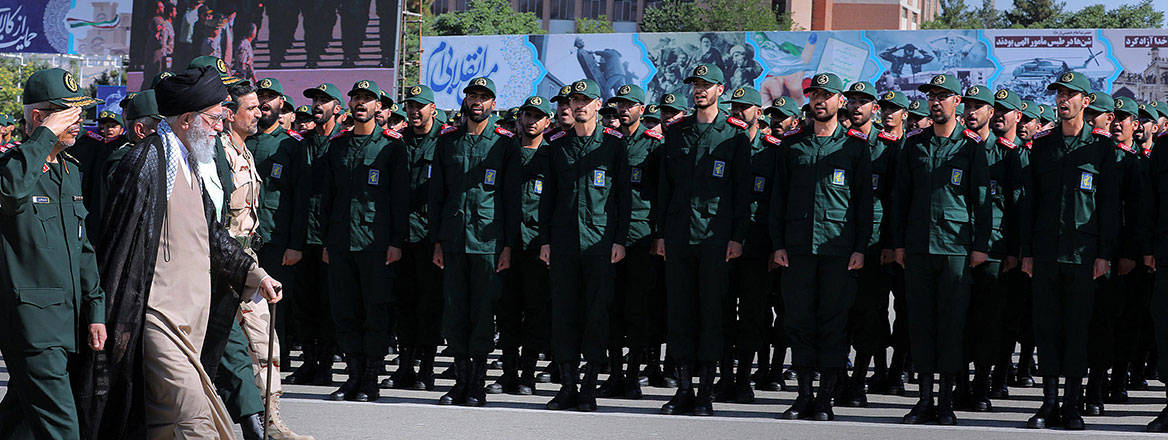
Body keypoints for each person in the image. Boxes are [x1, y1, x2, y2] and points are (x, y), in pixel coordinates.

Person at [75, 65, 282, 439]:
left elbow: (213, 236)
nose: (221, 127)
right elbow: (118, 246)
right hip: (157, 319)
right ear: (187, 119)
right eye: (216, 118)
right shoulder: (148, 160)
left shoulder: (189, 162)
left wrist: (257, 275)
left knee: (165, 426)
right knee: (194, 424)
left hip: (194, 324)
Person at [0, 68, 106, 440]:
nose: (78, 121)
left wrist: (95, 310)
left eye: (79, 112)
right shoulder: (13, 168)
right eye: (67, 113)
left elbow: (82, 249)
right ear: (38, 118)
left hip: (68, 322)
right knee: (61, 428)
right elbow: (12, 193)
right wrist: (44, 136)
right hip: (33, 324)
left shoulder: (68, 169)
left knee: (20, 421)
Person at [1019, 71, 1120, 430]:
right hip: (1046, 253)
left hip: (1083, 255)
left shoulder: (1102, 147)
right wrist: (1027, 251)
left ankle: (1072, 405)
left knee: (1078, 330)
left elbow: (1109, 205)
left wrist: (1103, 254)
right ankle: (1048, 403)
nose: (1063, 100)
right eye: (1059, 94)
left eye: (1070, 94)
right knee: (1046, 328)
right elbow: (1031, 202)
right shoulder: (1043, 146)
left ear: (1085, 101)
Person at [771, 73, 873, 421]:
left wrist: (860, 247)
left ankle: (826, 397)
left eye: (827, 96)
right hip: (797, 249)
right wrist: (778, 244)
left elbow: (864, 204)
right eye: (815, 94)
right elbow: (778, 200)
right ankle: (803, 395)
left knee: (833, 321)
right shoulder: (792, 146)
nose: (820, 101)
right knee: (798, 321)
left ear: (839, 102)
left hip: (838, 250)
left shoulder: (856, 148)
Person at [891, 73, 991, 426]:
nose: (935, 102)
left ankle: (946, 400)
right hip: (918, 248)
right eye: (931, 96)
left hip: (955, 250)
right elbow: (900, 198)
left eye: (942, 96)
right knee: (920, 324)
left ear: (956, 104)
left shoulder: (970, 147)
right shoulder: (914, 145)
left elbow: (982, 202)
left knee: (951, 325)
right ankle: (923, 398)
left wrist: (980, 247)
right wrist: (899, 244)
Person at [655, 64, 750, 417]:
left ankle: (706, 391)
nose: (699, 90)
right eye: (695, 85)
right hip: (679, 237)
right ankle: (683, 388)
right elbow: (666, 188)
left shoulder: (734, 135)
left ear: (720, 91)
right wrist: (661, 234)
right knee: (680, 312)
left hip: (716, 238)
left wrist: (737, 237)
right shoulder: (676, 133)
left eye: (706, 85)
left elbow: (742, 193)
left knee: (712, 313)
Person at [540, 79, 630, 412]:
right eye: (573, 100)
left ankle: (589, 386)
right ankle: (567, 385)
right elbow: (548, 196)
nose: (578, 106)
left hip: (600, 243)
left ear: (597, 105)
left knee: (596, 315)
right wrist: (545, 241)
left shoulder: (613, 143)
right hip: (563, 242)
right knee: (563, 314)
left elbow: (623, 197)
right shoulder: (557, 143)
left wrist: (619, 239)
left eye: (584, 100)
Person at [429, 77, 519, 407]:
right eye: (472, 96)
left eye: (484, 97)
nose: (477, 101)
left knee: (482, 314)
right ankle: (460, 381)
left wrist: (508, 245)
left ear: (493, 104)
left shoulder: (504, 143)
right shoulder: (448, 141)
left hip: (488, 242)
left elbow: (511, 199)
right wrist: (438, 241)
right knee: (454, 313)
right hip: (453, 240)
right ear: (465, 101)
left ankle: (477, 384)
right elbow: (437, 195)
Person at [320, 79, 409, 403]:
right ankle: (352, 375)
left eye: (367, 99)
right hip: (342, 241)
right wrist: (327, 242)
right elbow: (326, 198)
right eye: (356, 97)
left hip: (376, 243)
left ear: (378, 107)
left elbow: (400, 200)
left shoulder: (391, 146)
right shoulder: (338, 146)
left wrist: (396, 242)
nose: (361, 103)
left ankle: (371, 377)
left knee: (375, 311)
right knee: (345, 311)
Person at [840, 85, 907, 407]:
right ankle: (836, 375)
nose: (856, 107)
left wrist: (892, 244)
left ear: (874, 109)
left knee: (870, 312)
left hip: (875, 242)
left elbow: (898, 199)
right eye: (851, 101)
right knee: (838, 312)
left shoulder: (888, 147)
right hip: (839, 238)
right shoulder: (838, 142)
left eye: (863, 102)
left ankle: (859, 381)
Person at [597, 84, 663, 402]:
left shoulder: (653, 146)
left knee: (638, 310)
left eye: (630, 105)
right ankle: (614, 374)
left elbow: (662, 194)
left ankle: (634, 374)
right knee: (611, 308)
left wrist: (659, 235)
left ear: (641, 109)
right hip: (608, 236)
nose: (623, 110)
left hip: (640, 238)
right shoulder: (607, 143)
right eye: (619, 106)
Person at [715, 85, 780, 405]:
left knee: (753, 315)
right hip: (724, 243)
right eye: (735, 107)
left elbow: (778, 203)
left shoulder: (771, 151)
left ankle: (744, 378)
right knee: (723, 313)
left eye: (745, 107)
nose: (738, 112)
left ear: (759, 113)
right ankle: (724, 376)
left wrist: (774, 246)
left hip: (757, 246)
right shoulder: (723, 145)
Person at [381, 85, 445, 393]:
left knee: (429, 305)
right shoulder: (397, 142)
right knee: (403, 303)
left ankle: (427, 368)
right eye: (410, 107)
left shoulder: (444, 141)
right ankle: (404, 367)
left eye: (420, 106)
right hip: (402, 236)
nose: (415, 112)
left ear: (433, 108)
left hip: (431, 239)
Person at [489, 95, 553, 396]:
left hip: (538, 246)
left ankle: (528, 373)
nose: (531, 121)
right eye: (527, 115)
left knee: (536, 312)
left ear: (547, 122)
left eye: (538, 116)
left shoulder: (553, 155)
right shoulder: (505, 152)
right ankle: (508, 373)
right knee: (507, 313)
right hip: (508, 246)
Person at [285, 83, 346, 386]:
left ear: (338, 108)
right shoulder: (301, 144)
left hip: (329, 239)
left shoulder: (343, 142)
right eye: (315, 100)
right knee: (304, 303)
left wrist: (331, 241)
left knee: (328, 304)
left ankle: (326, 364)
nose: (317, 105)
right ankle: (308, 362)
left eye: (325, 101)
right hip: (302, 237)